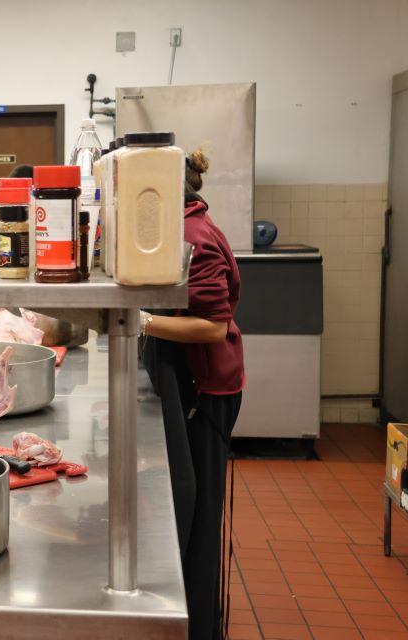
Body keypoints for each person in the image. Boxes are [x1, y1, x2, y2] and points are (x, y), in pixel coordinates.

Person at [141, 149, 244, 640]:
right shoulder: (178, 227)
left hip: (208, 388)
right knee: (191, 508)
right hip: (191, 381)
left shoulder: (192, 237)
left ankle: (201, 629)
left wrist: (140, 323)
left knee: (201, 518)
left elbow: (212, 327)